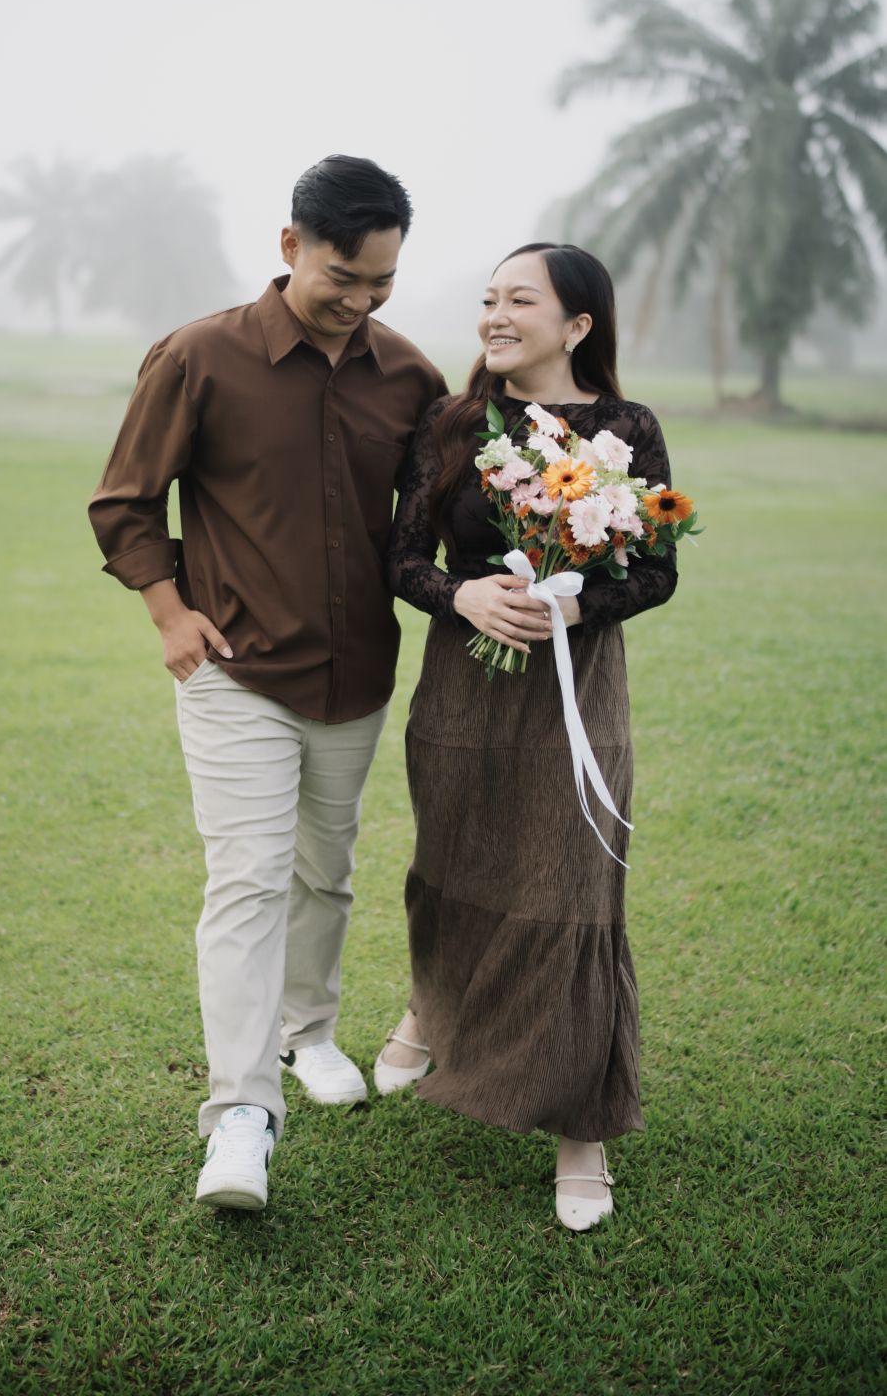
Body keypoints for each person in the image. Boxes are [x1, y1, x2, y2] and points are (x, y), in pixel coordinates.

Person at [88, 155, 446, 1212]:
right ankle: (241, 1115)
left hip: (357, 672)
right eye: (343, 276)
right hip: (233, 670)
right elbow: (125, 501)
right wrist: (169, 613)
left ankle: (310, 1032)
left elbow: (433, 521)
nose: (360, 300)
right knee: (247, 880)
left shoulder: (409, 377)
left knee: (324, 873)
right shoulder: (197, 356)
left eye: (381, 281)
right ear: (291, 246)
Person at [374, 242, 678, 1231]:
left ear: (577, 325)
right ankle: (432, 1006)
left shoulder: (626, 430)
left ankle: (580, 1128)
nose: (495, 316)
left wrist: (572, 602)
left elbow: (657, 571)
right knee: (452, 864)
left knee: (569, 892)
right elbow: (402, 556)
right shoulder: (454, 421)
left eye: (519, 300)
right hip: (461, 689)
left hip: (573, 692)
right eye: (488, 299)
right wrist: (461, 594)